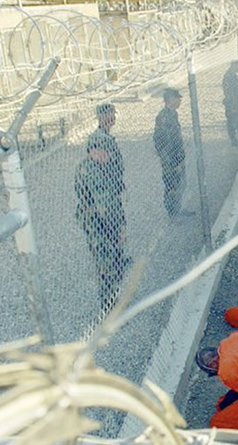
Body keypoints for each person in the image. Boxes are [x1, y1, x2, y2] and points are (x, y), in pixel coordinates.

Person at [75, 103, 130, 312]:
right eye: (102, 151)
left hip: (105, 218)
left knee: (112, 260)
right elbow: (105, 205)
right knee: (106, 264)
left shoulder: (99, 164)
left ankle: (112, 299)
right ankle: (109, 305)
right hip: (100, 223)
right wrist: (119, 228)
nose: (107, 156)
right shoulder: (93, 172)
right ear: (93, 151)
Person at [153, 88, 187, 217]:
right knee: (171, 184)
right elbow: (163, 140)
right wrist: (172, 160)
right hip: (170, 158)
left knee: (180, 183)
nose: (179, 101)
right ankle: (172, 212)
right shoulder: (163, 117)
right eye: (177, 98)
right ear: (171, 100)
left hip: (176, 156)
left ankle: (177, 208)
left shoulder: (173, 114)